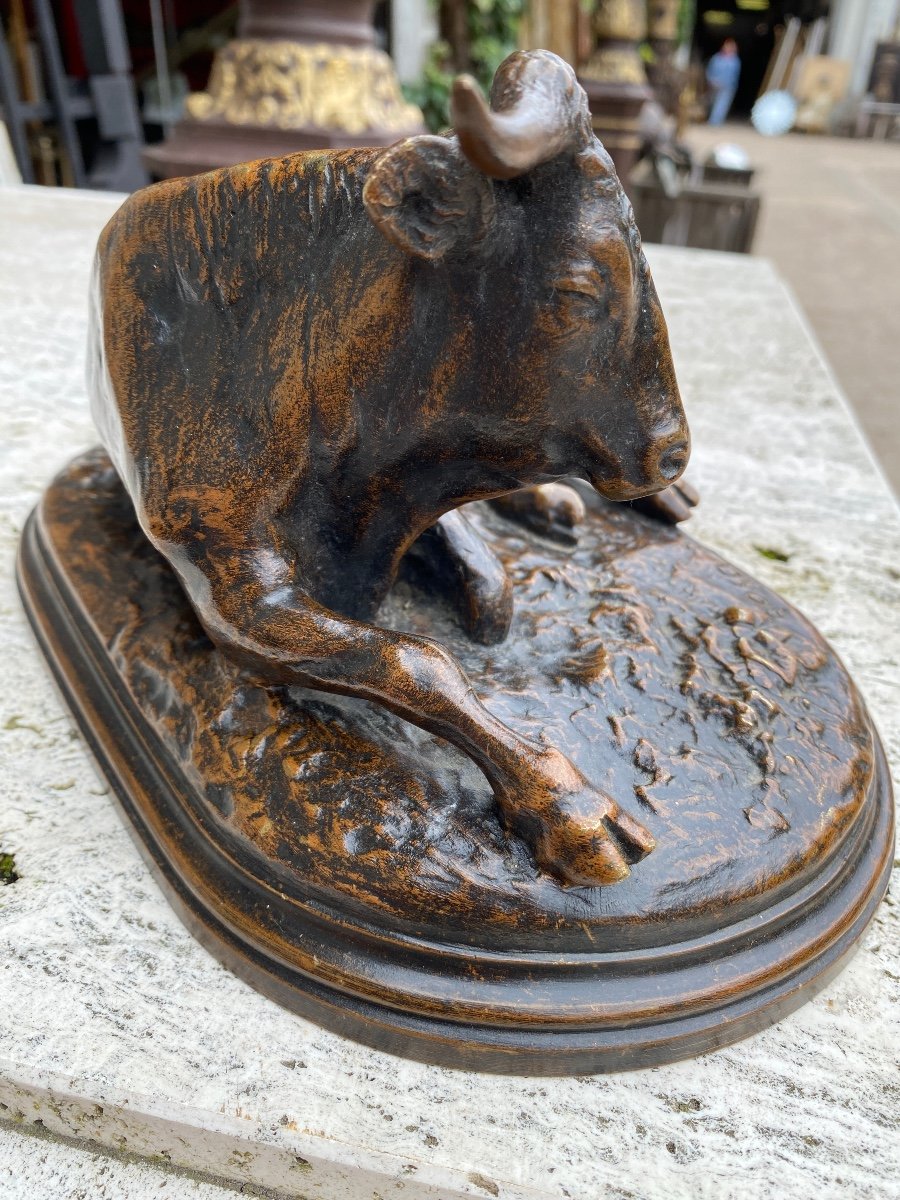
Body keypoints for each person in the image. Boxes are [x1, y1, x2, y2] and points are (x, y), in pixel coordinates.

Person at [706, 38, 741, 126]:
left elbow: (735, 75)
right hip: (714, 84)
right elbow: (709, 70)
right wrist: (711, 80)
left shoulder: (735, 61)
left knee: (722, 104)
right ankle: (712, 119)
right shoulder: (716, 58)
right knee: (712, 103)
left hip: (727, 86)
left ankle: (715, 122)